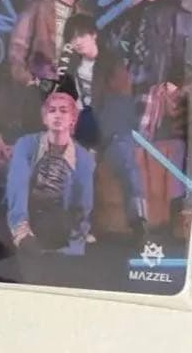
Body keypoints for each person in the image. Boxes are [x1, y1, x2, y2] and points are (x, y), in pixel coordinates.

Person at [106, 0, 191, 235]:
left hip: (159, 87)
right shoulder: (135, 11)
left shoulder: (175, 12)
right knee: (127, 144)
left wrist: (175, 82)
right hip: (133, 86)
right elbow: (113, 40)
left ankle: (168, 215)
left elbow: (182, 50)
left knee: (156, 147)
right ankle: (138, 213)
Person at [56, 14, 146, 236]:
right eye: (72, 38)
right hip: (85, 127)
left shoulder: (112, 63)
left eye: (81, 36)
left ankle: (139, 223)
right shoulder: (72, 66)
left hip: (113, 129)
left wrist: (99, 138)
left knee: (127, 166)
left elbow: (120, 103)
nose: (77, 42)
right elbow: (68, 100)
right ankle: (79, 227)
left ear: (93, 35)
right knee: (76, 169)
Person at [6, 88, 95, 256]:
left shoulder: (83, 157)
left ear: (73, 119)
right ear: (45, 118)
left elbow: (83, 202)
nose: (57, 115)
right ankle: (21, 231)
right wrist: (21, 227)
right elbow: (18, 182)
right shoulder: (26, 144)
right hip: (28, 211)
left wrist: (78, 237)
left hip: (58, 218)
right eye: (52, 110)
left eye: (63, 110)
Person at [8, 0, 95, 91]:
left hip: (65, 87)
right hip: (36, 82)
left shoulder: (82, 17)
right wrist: (25, 78)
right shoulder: (41, 4)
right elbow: (19, 43)